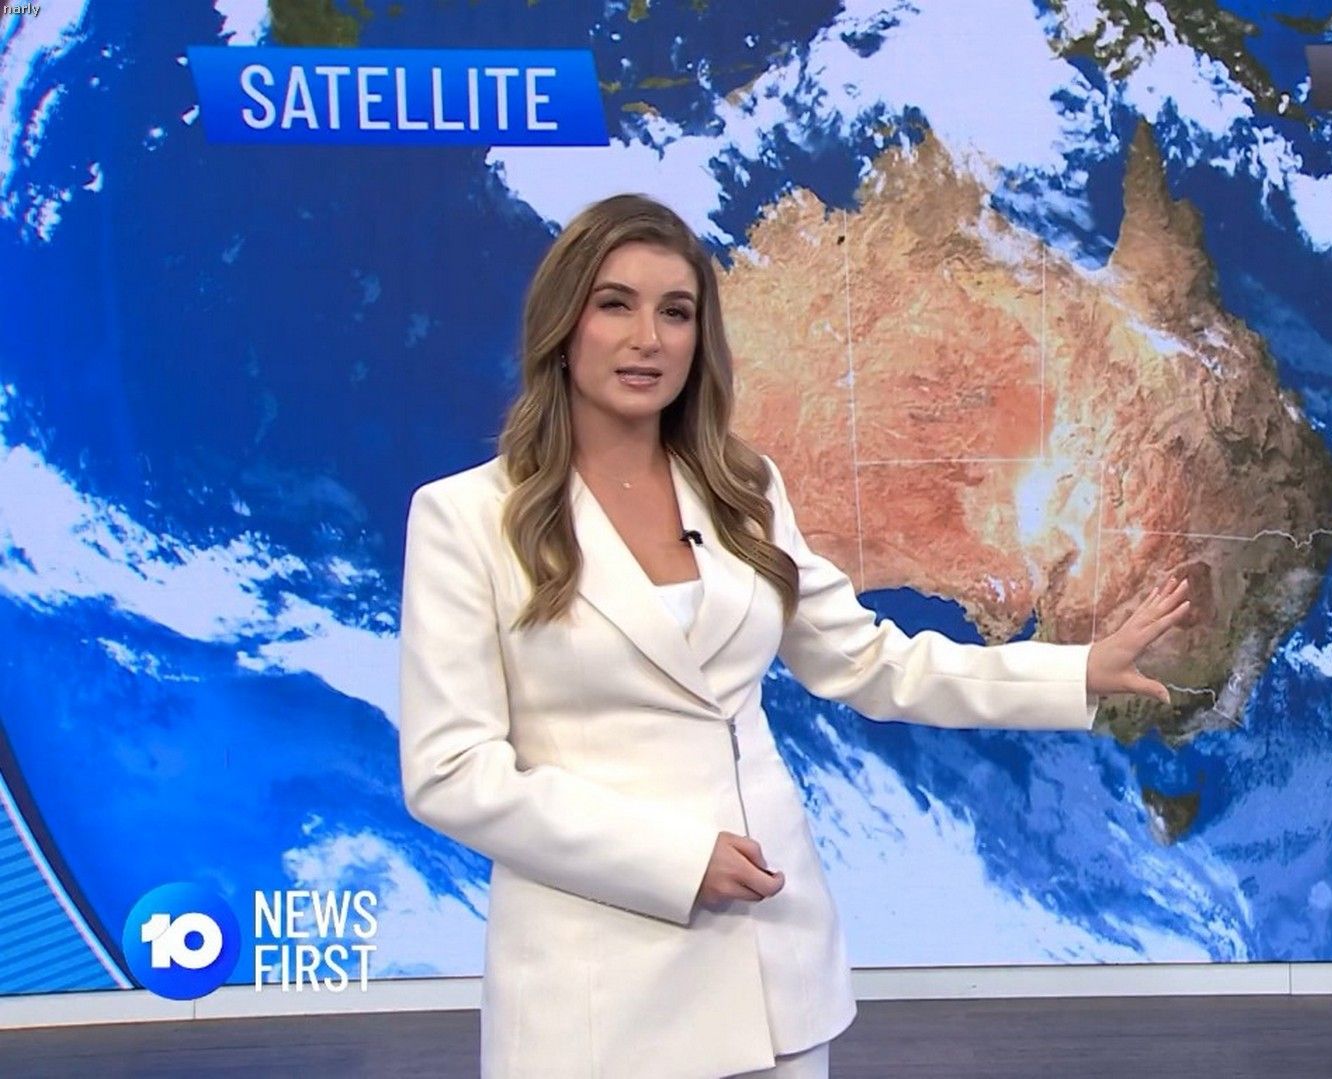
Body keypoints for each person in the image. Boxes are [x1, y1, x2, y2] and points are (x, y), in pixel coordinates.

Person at [397, 193, 1193, 1079]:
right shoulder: (467, 519)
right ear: (561, 324)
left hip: (769, 967)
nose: (647, 338)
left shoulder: (744, 492)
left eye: (676, 312)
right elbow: (452, 773)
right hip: (598, 994)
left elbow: (871, 662)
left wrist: (1078, 672)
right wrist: (676, 861)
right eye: (614, 304)